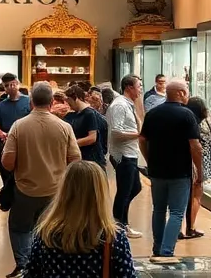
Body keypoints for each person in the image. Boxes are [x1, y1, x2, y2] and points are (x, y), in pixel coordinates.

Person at [1, 83, 80, 278]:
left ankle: (24, 266)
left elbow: (8, 162)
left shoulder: (19, 126)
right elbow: (75, 159)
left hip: (25, 188)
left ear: (31, 102)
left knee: (20, 227)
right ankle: (50, 266)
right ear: (52, 102)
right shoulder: (64, 127)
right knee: (52, 229)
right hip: (55, 189)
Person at [139, 80, 201, 257]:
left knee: (158, 209)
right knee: (176, 212)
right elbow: (195, 146)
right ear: (180, 93)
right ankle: (167, 251)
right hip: (180, 171)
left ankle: (157, 248)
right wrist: (200, 171)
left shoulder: (153, 114)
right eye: (187, 91)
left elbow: (142, 139)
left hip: (157, 170)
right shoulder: (187, 115)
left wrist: (149, 159)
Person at [106, 75, 144, 239]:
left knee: (134, 187)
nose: (140, 89)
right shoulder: (120, 105)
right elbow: (116, 132)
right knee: (125, 190)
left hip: (130, 152)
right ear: (129, 87)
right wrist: (138, 135)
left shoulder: (129, 104)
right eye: (138, 86)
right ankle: (119, 225)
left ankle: (122, 223)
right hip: (123, 154)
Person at [0, 72, 31, 213]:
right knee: (8, 174)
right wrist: (2, 133)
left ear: (18, 83)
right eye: (6, 85)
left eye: (12, 84)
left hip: (26, 144)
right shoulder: (0, 107)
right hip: (7, 144)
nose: (10, 87)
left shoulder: (28, 101)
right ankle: (12, 202)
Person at [182, 97, 211, 240]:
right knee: (196, 195)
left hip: (191, 160)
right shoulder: (201, 124)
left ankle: (188, 226)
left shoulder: (189, 122)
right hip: (200, 161)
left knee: (189, 196)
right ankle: (191, 226)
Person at [63, 86, 104, 168]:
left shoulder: (89, 114)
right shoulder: (71, 114)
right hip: (79, 157)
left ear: (76, 99)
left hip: (90, 158)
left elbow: (92, 138)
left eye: (70, 102)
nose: (69, 105)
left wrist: (72, 144)